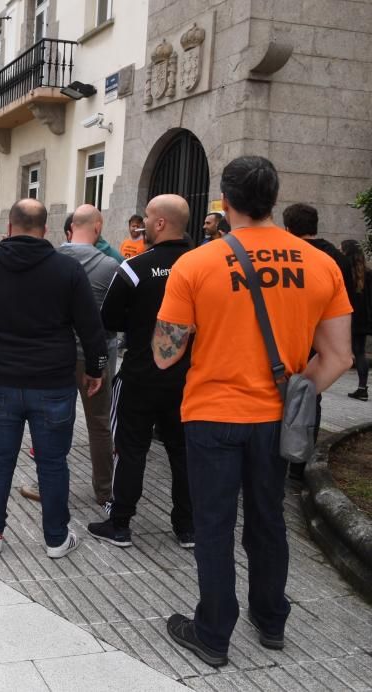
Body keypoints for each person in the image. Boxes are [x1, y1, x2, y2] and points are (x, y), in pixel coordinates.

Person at [155, 156, 353, 668]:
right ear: (274, 198)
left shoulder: (195, 264)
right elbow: (339, 357)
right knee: (268, 521)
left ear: (225, 200)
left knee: (215, 524)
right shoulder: (320, 263)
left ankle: (213, 631)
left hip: (211, 415)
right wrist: (297, 393)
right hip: (276, 422)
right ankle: (271, 621)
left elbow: (164, 352)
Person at [0, 199, 106, 559]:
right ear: (46, 230)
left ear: (9, 227)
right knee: (52, 461)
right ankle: (56, 538)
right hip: (53, 382)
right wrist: (95, 368)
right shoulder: (68, 269)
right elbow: (90, 327)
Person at [87, 194, 195, 550]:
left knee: (131, 449)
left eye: (147, 218)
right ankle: (186, 528)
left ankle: (120, 525)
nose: (142, 224)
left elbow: (110, 319)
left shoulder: (136, 267)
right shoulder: (201, 265)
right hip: (189, 378)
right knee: (182, 452)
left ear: (160, 223)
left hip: (140, 376)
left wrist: (140, 324)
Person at [282, 202, 353, 480]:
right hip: (329, 334)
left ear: (288, 228)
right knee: (311, 398)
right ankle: (299, 462)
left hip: (295, 334)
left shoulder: (292, 255)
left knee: (288, 394)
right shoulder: (337, 257)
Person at [57, 205, 119, 506]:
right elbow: (117, 318)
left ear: (71, 227)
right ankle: (105, 492)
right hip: (96, 358)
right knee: (99, 424)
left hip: (57, 355)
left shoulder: (52, 260)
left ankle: (50, 486)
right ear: (98, 228)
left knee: (56, 422)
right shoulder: (110, 266)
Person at [342, 239, 371, 400]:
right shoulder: (367, 273)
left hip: (346, 316)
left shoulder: (345, 272)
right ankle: (362, 387)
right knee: (360, 352)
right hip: (363, 319)